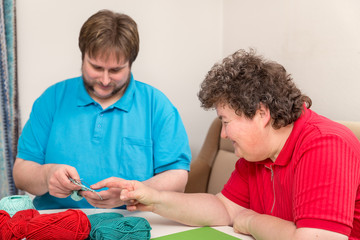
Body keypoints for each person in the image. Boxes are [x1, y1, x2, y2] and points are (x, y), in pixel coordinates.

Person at [106, 49, 360, 239]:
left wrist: (250, 221)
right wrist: (154, 198)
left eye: (226, 121)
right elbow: (223, 208)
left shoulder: (326, 144)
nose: (224, 134)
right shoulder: (256, 154)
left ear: (262, 114)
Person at [13, 9, 191, 210]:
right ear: (83, 57)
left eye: (115, 70)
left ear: (130, 64)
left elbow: (177, 177)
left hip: (133, 224)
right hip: (55, 222)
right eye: (96, 68)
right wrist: (47, 175)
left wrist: (131, 192)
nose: (105, 80)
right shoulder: (52, 99)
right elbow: (21, 173)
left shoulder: (157, 105)